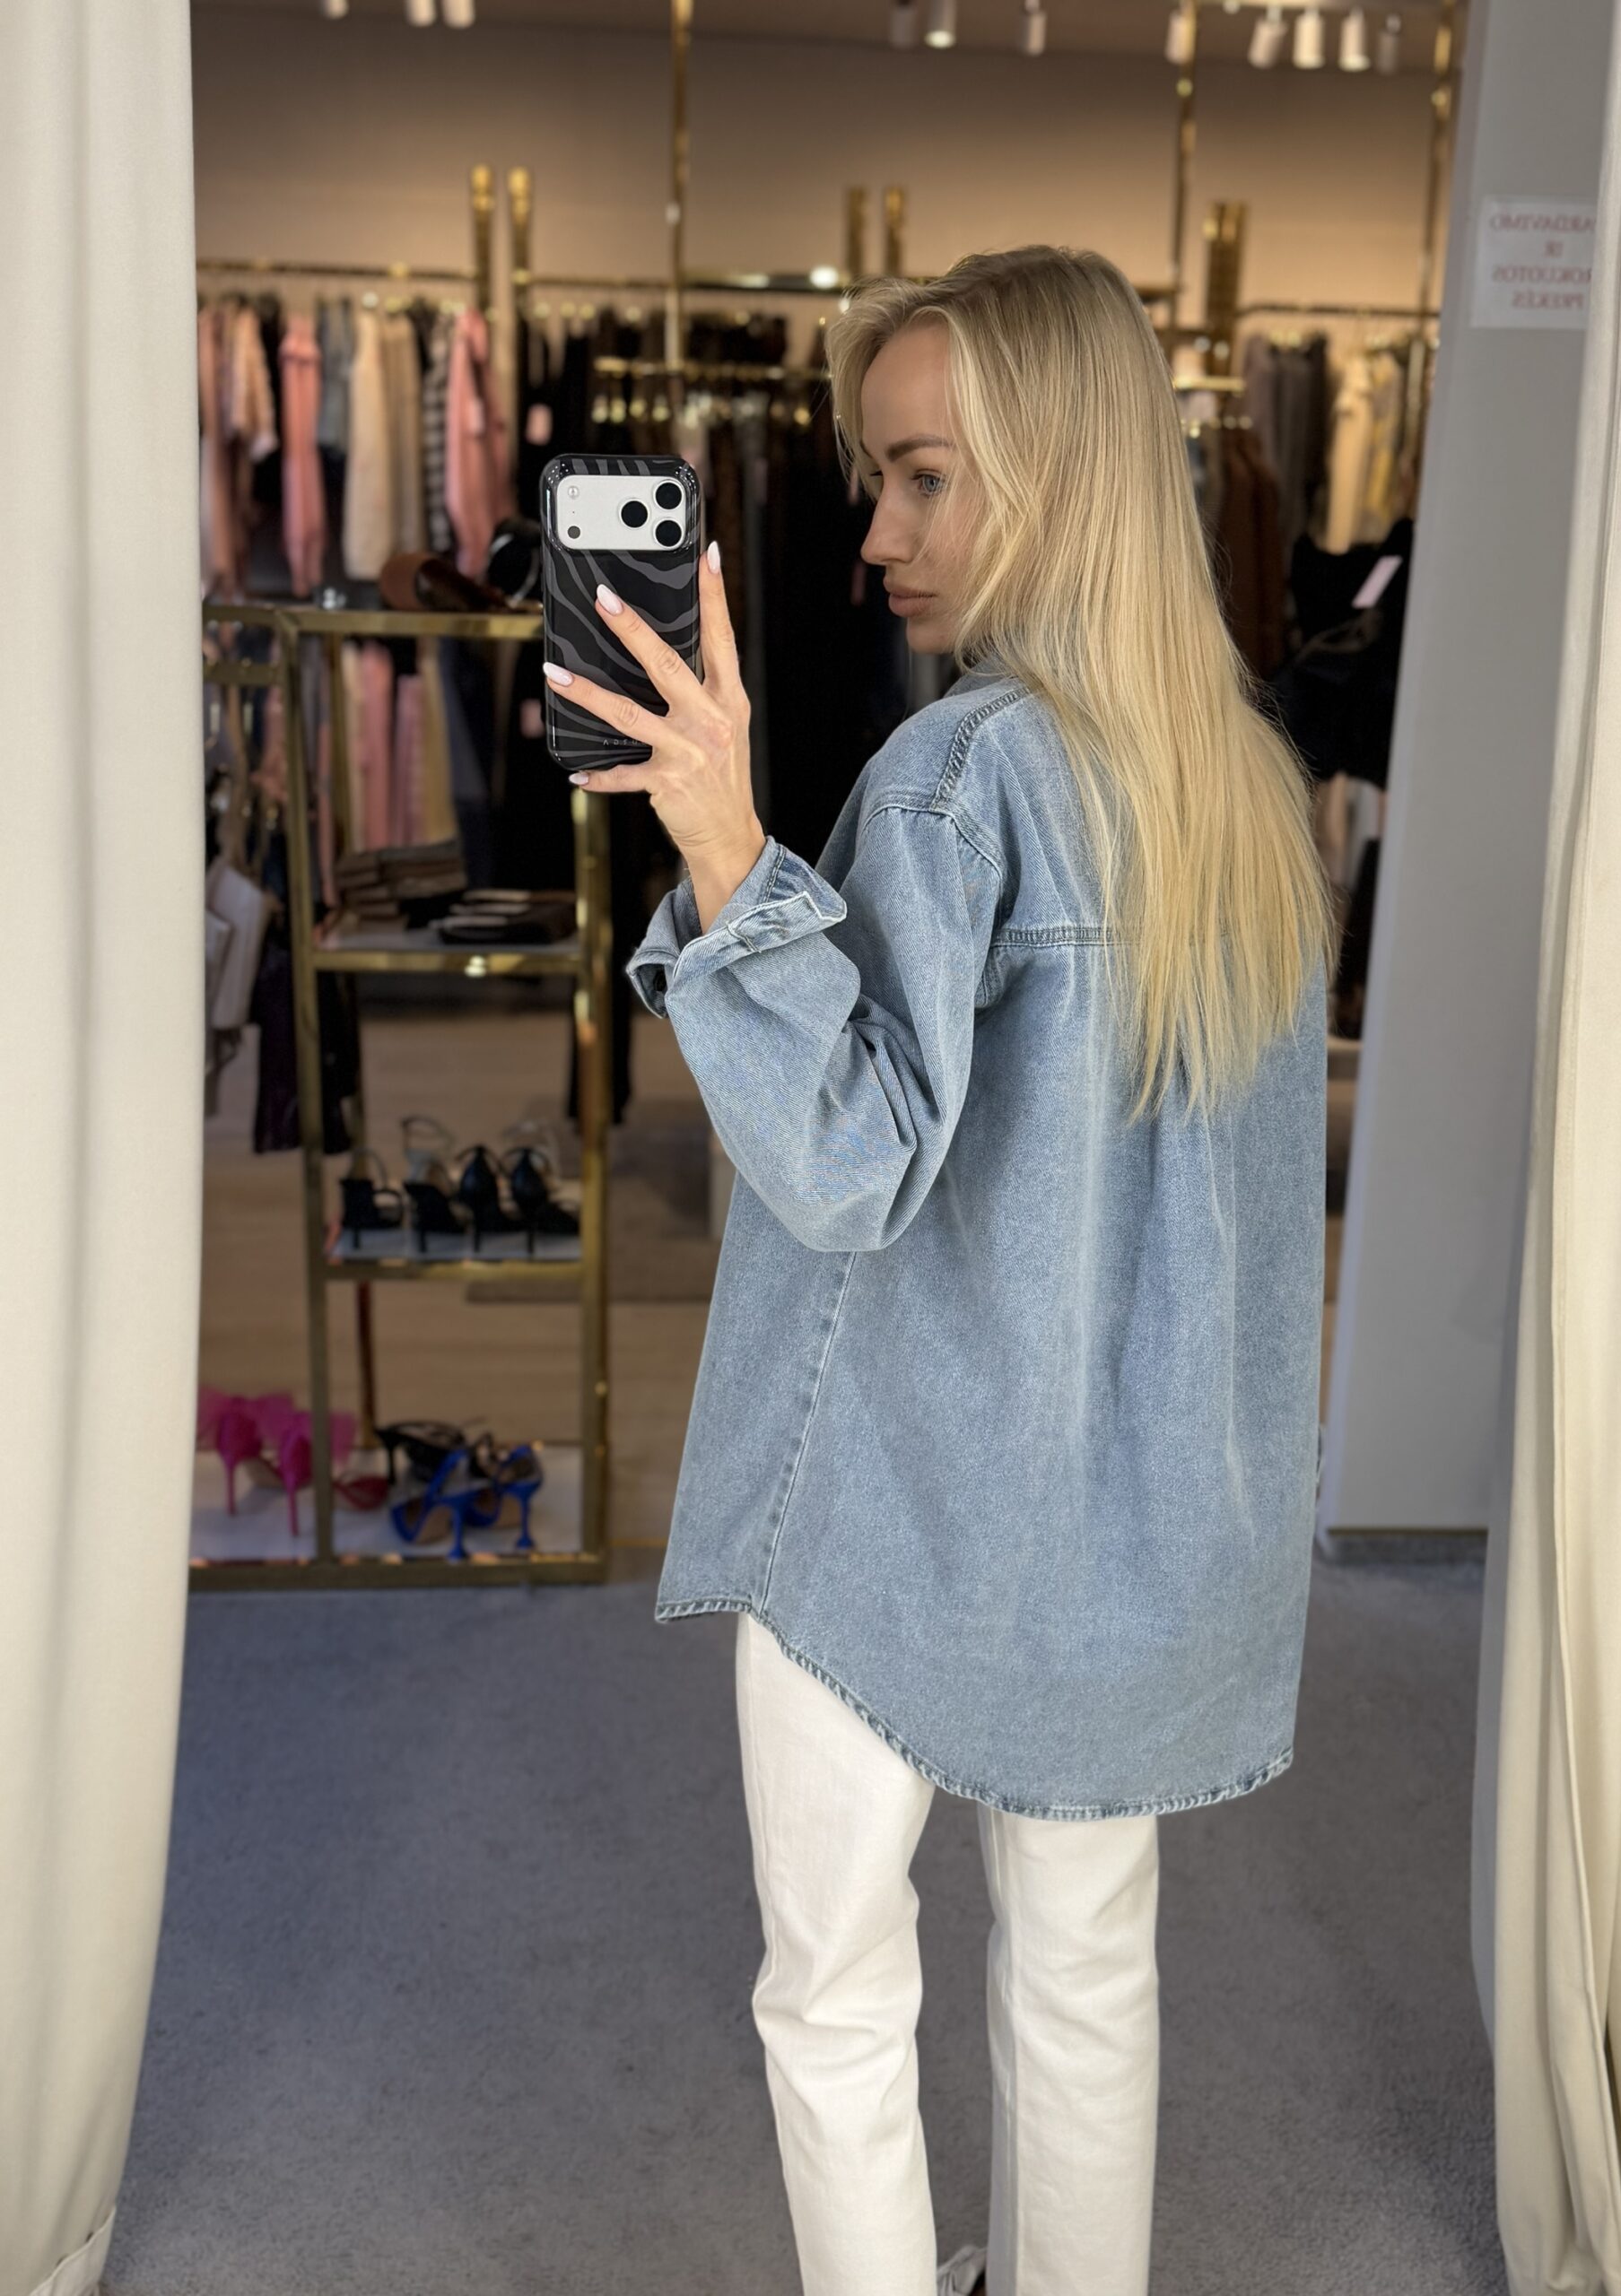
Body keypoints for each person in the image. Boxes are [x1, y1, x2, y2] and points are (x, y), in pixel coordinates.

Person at [543, 246, 1335, 2296]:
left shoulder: (962, 774)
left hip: (894, 1496)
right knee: (1087, 1964)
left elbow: (849, 1165)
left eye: (922, 478)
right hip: (1135, 1515)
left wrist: (725, 845)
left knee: (835, 1982)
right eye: (875, 480)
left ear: (1054, 475)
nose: (878, 535)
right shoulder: (1241, 785)